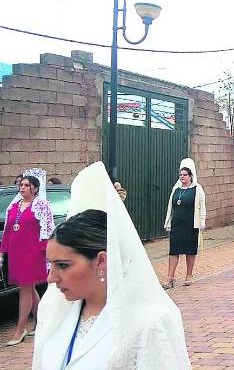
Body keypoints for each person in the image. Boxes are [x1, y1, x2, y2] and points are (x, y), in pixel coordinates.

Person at [32, 162, 191, 369]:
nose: (51, 278)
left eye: (63, 265)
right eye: (50, 264)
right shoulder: (54, 310)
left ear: (101, 260)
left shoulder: (149, 322)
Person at [0, 168, 55, 346]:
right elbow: (8, 232)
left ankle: (20, 329)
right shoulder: (13, 207)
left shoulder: (42, 206)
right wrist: (2, 253)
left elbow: (47, 232)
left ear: (35, 189)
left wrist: (47, 255)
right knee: (29, 289)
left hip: (33, 254)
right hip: (17, 254)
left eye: (26, 185)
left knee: (25, 289)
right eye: (21, 185)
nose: (22, 188)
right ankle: (41, 323)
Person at [162, 158, 207, 289]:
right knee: (173, 251)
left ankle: (189, 275)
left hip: (191, 225)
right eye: (180, 174)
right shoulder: (176, 189)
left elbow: (202, 206)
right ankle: (170, 278)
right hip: (177, 224)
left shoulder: (197, 189)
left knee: (190, 251)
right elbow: (170, 206)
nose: (182, 177)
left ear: (190, 176)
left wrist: (202, 222)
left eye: (184, 175)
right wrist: (168, 222)